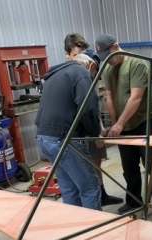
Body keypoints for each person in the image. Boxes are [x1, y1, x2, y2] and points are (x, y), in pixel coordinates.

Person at [95, 34, 152, 219]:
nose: (108, 60)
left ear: (116, 46)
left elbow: (136, 97)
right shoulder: (108, 68)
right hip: (123, 126)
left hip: (144, 123)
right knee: (129, 168)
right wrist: (115, 125)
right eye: (104, 57)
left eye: (109, 55)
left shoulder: (137, 63)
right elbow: (110, 98)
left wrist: (119, 124)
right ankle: (133, 200)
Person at [35, 41, 101, 210]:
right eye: (95, 73)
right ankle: (95, 232)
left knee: (69, 188)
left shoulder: (56, 74)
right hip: (62, 140)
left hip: (44, 138)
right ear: (91, 65)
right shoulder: (81, 72)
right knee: (90, 186)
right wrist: (95, 134)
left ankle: (77, 230)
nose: (93, 77)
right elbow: (88, 107)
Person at [63, 34, 123, 207]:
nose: (80, 60)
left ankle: (101, 193)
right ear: (67, 54)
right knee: (80, 167)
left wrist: (100, 129)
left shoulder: (90, 71)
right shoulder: (69, 74)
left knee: (96, 160)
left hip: (92, 122)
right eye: (75, 56)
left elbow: (93, 104)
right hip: (78, 129)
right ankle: (85, 201)